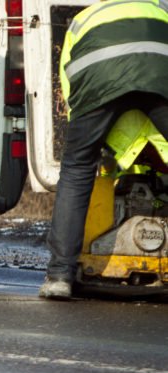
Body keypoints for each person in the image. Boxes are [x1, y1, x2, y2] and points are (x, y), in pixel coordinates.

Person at [39, 0, 168, 299]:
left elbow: (70, 82)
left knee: (76, 168)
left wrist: (90, 143)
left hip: (98, 79)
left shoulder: (85, 17)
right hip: (158, 73)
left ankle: (60, 275)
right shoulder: (160, 12)